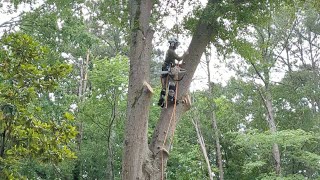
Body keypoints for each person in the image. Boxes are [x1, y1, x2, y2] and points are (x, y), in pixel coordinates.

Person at [158, 37, 187, 107]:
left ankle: (161, 100)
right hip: (169, 69)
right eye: (176, 45)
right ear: (173, 44)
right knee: (173, 83)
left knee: (164, 86)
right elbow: (179, 58)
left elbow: (172, 61)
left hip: (165, 68)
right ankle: (171, 98)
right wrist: (185, 54)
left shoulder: (169, 51)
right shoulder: (171, 51)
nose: (176, 46)